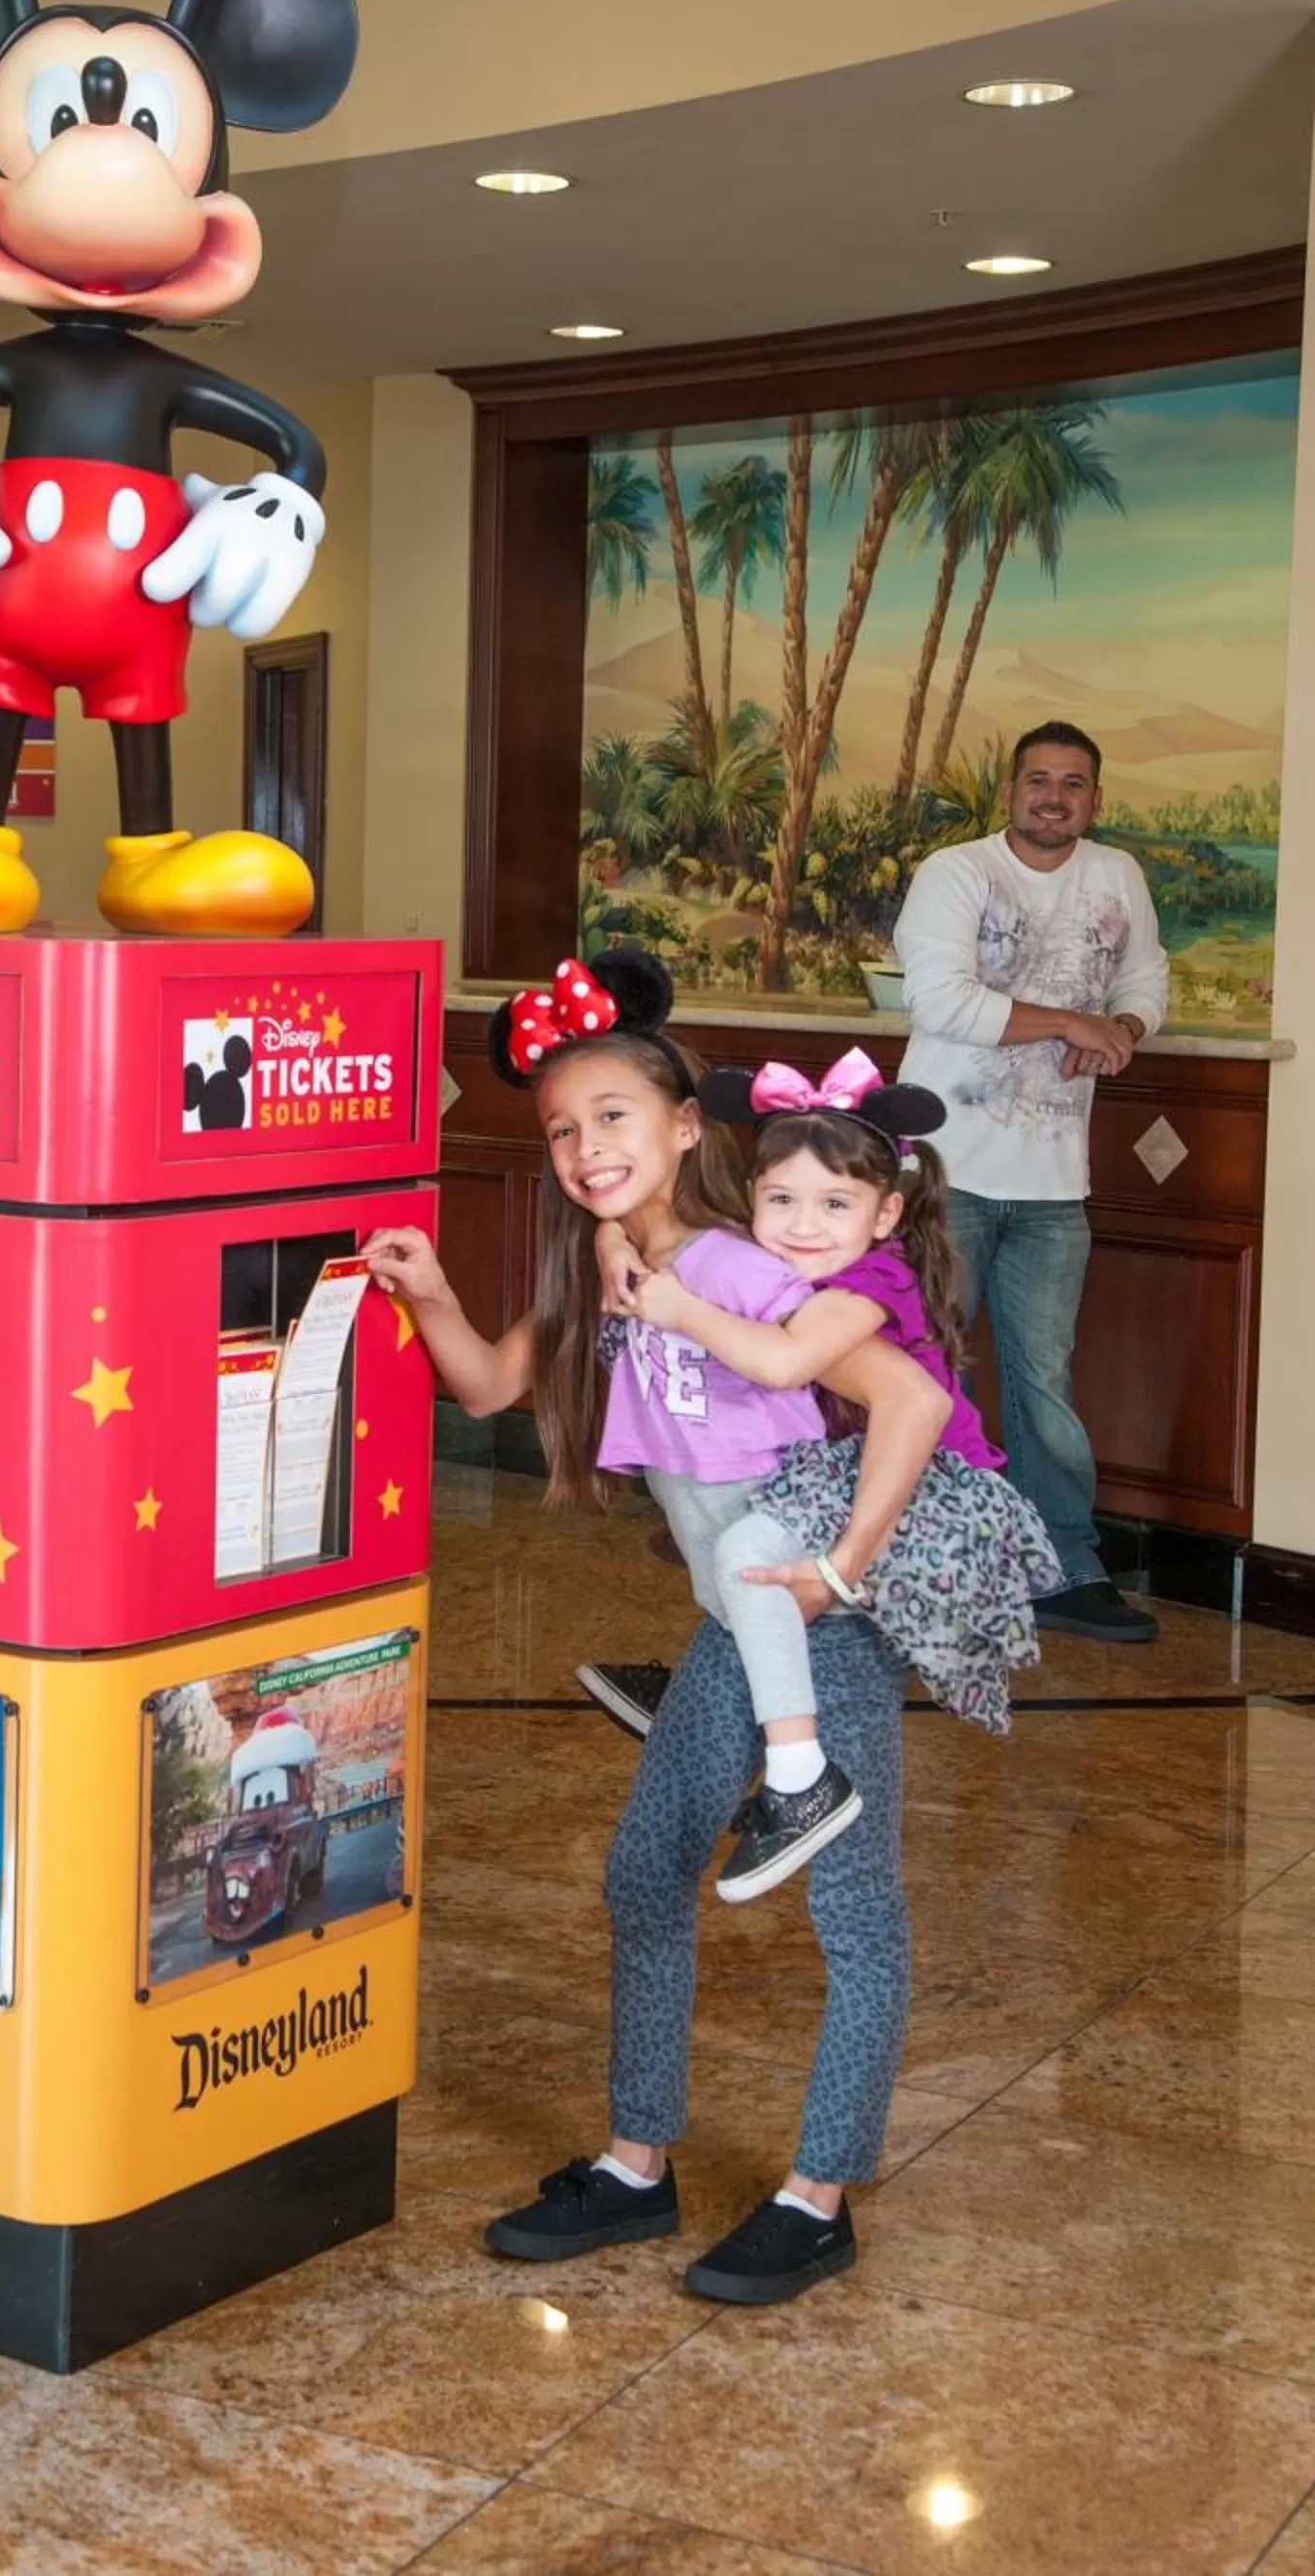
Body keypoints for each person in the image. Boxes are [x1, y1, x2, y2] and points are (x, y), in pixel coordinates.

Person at [364, 946, 951, 2305]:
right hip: (730, 1629)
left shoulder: (742, 1265)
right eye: (562, 1128)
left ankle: (822, 2195)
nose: (582, 1147)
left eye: (613, 1116)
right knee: (646, 1874)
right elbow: (491, 1389)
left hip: (821, 1627)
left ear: (688, 1126)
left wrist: (841, 1576)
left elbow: (905, 1401)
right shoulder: (603, 1258)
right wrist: (427, 1288)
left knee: (854, 1912)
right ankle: (639, 2168)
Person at [584, 1051, 1055, 1879]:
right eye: (782, 1201)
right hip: (847, 1468)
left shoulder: (866, 1283)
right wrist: (606, 1233)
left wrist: (681, 1307)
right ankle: (709, 1711)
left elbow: (784, 1365)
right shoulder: (789, 1260)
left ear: (886, 1214)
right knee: (718, 1550)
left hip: (927, 1500)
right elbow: (665, 1224)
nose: (803, 1225)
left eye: (834, 1203)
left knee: (744, 1558)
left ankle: (801, 1782)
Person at [893, 721, 1169, 1642]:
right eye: (1038, 779)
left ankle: (1062, 1569)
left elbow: (1145, 979)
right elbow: (942, 1002)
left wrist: (1123, 1025)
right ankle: (911, 1558)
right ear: (1009, 792)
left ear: (1097, 798)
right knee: (922, 1369)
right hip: (942, 1175)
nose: (1055, 796)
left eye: (1075, 784)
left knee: (1044, 1382)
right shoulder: (957, 873)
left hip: (1056, 1183)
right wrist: (1075, 1026)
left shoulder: (1117, 876)